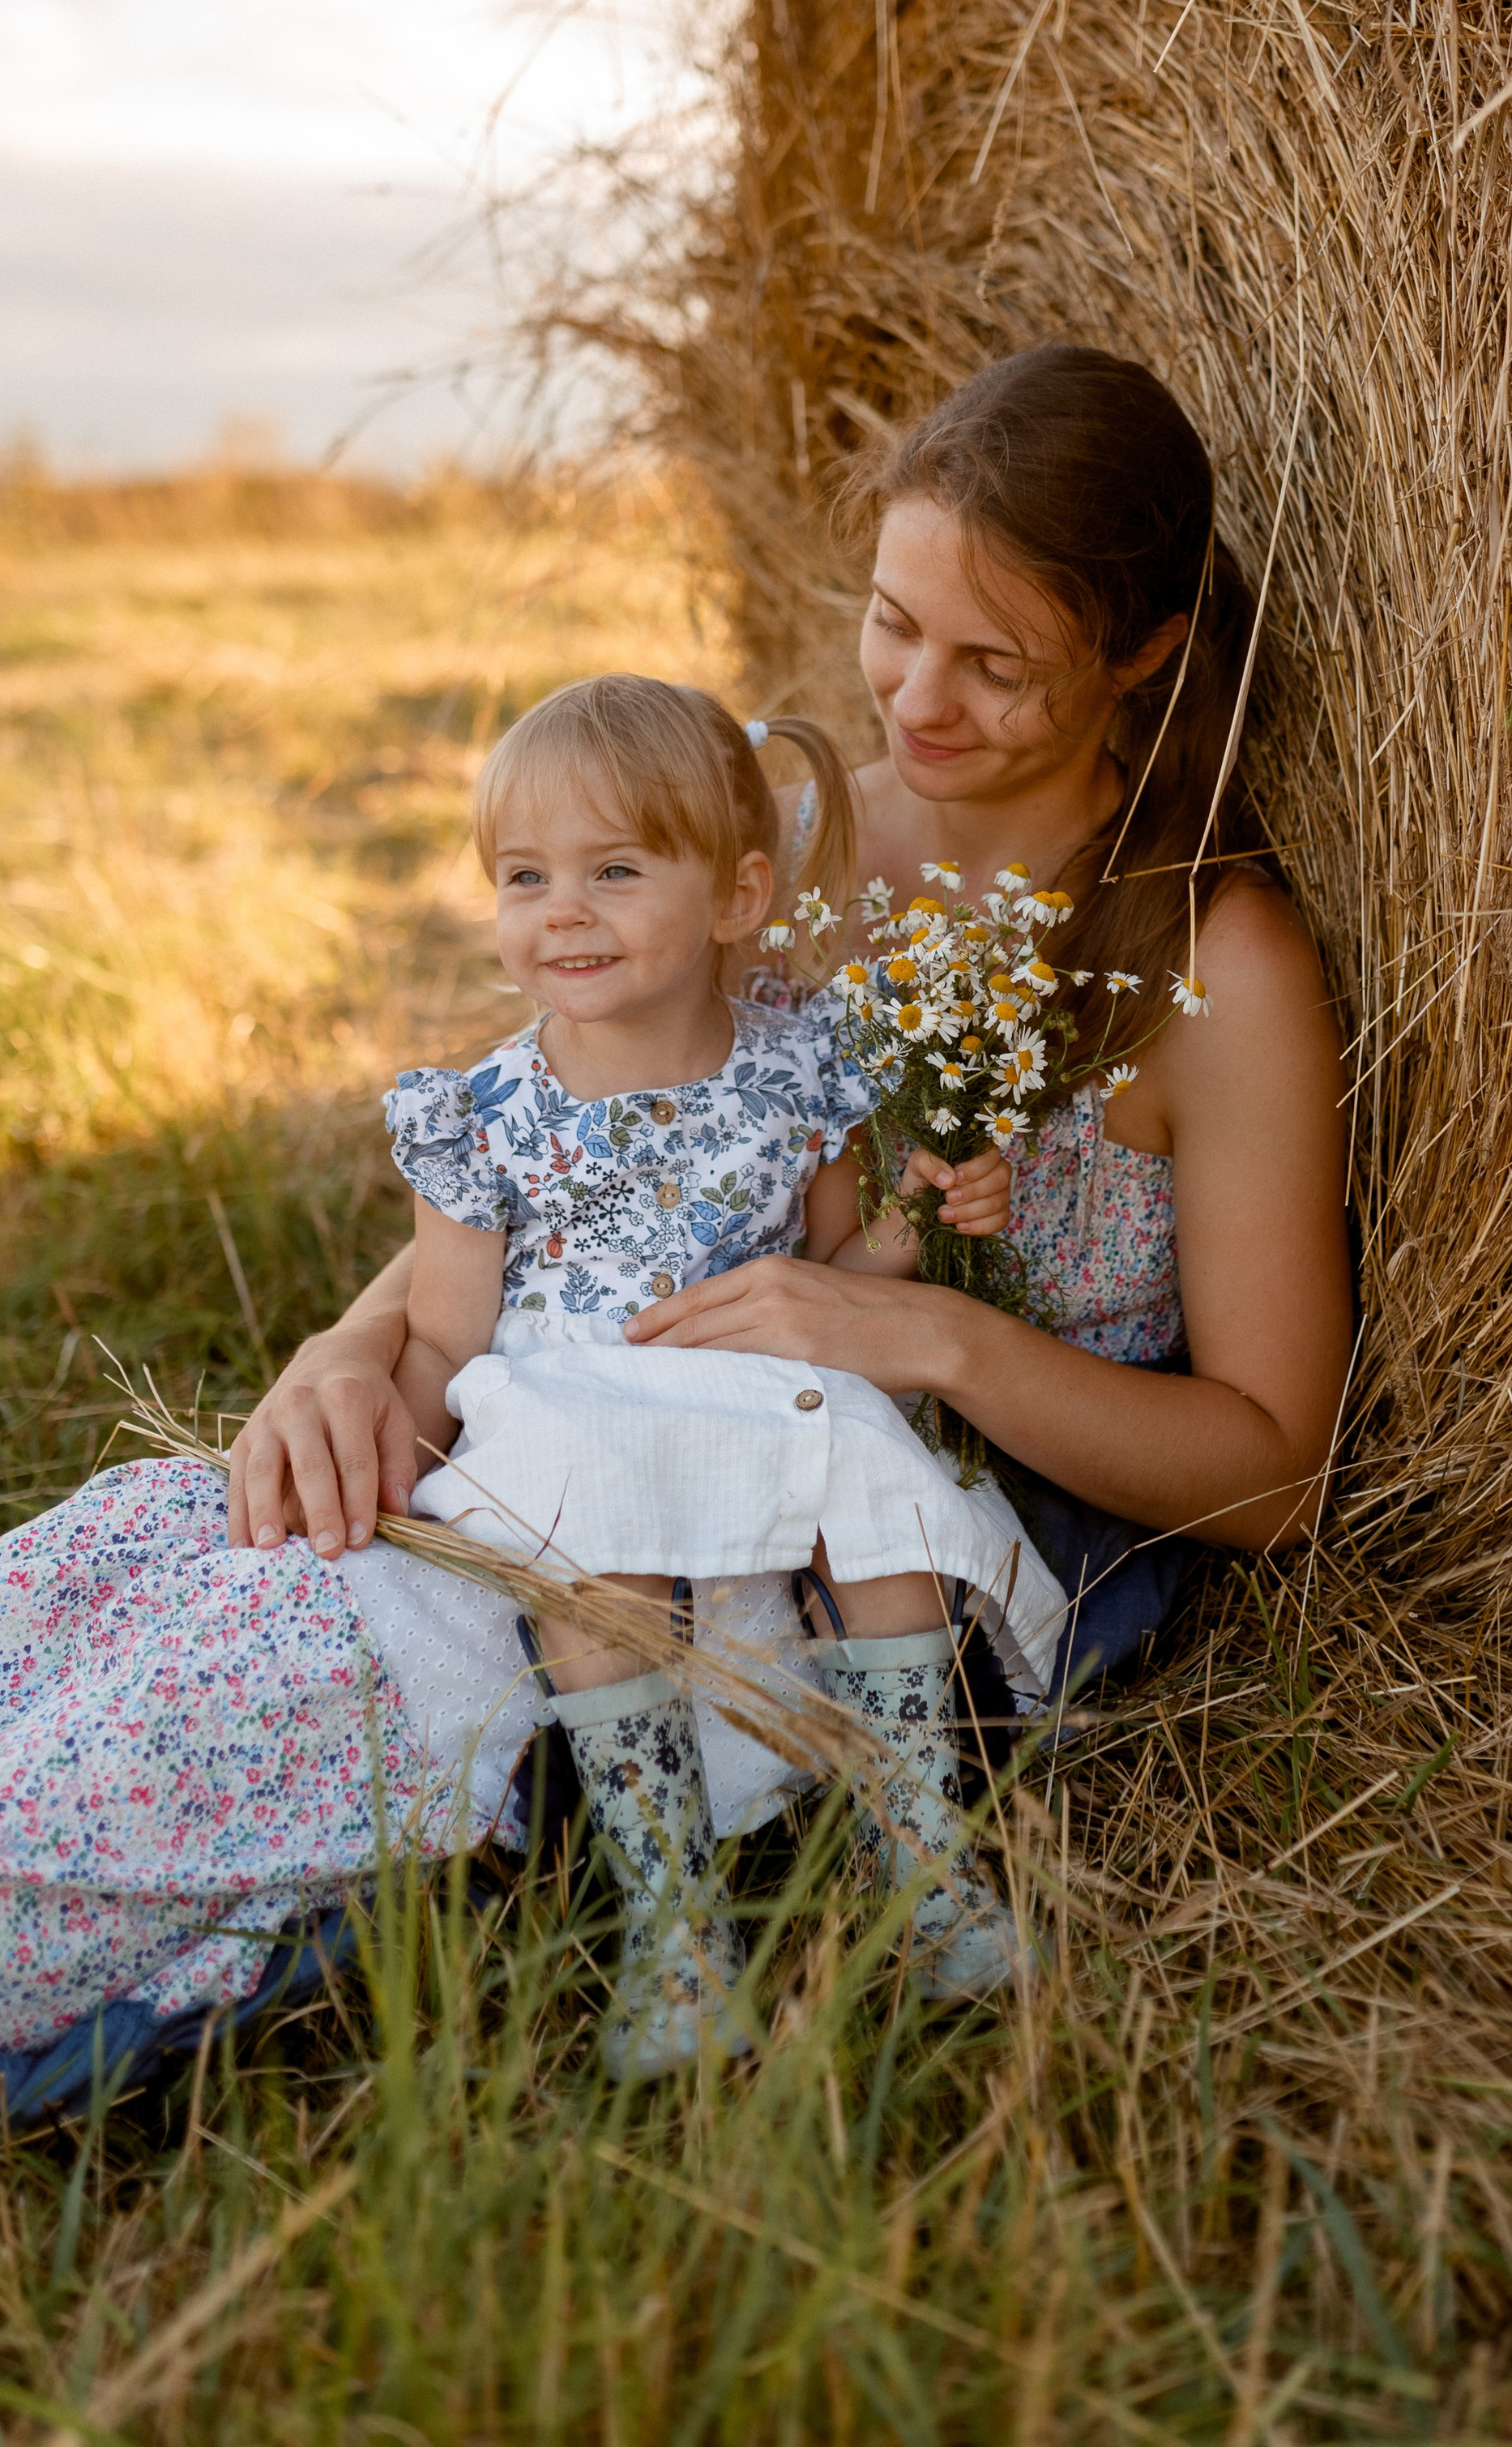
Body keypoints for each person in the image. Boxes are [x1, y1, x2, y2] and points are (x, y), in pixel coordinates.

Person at [0, 341, 1351, 2158]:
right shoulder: (788, 842)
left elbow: (1273, 1470)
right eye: (894, 625)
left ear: (1137, 652)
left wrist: (925, 1343)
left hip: (827, 1534)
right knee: (145, 1553)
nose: (917, 699)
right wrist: (352, 1351)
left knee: (254, 1695)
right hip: (571, 1394)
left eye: (997, 662)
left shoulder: (1215, 961)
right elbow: (574, 1132)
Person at [370, 669, 1058, 2073]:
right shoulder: (482, 1112)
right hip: (578, 1393)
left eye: (614, 871)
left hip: (758, 1372)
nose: (561, 909)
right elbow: (446, 1337)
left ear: (737, 898)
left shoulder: (797, 1070)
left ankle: (923, 1865)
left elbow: (839, 1286)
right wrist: (393, 1445)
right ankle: (674, 1925)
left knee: (872, 1471)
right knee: (585, 1519)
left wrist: (925, 1215)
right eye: (523, 876)